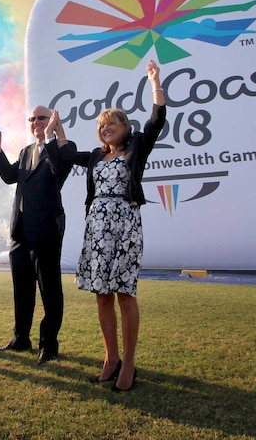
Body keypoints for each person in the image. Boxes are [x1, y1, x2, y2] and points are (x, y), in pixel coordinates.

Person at [73, 59, 165, 392]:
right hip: (97, 228)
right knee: (102, 296)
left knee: (125, 293)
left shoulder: (137, 147)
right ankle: (109, 358)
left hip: (124, 224)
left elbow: (156, 121)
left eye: (112, 123)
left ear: (125, 127)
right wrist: (56, 131)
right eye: (102, 125)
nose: (106, 127)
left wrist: (155, 82)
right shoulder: (97, 157)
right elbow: (67, 154)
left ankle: (129, 362)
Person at [0, 108, 76, 364]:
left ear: (53, 121)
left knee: (50, 290)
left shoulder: (62, 148)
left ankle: (49, 345)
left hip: (46, 230)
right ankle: (20, 338)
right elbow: (11, 176)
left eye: (41, 118)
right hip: (20, 232)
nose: (36, 122)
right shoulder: (25, 152)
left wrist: (50, 138)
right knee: (22, 290)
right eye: (32, 119)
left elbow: (59, 170)